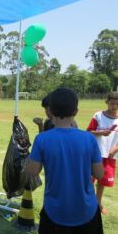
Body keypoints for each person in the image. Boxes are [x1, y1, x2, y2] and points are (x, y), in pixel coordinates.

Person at [26, 88, 104, 234]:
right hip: (87, 210)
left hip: (55, 211)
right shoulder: (89, 138)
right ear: (76, 111)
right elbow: (99, 174)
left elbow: (32, 171)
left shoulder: (42, 139)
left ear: (50, 110)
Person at [87, 91, 118, 215]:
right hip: (95, 154)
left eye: (117, 104)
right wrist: (100, 133)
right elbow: (88, 131)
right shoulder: (98, 115)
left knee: (102, 182)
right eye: (112, 104)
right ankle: (87, 202)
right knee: (89, 179)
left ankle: (98, 204)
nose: (114, 106)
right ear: (107, 102)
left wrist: (115, 149)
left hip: (110, 156)